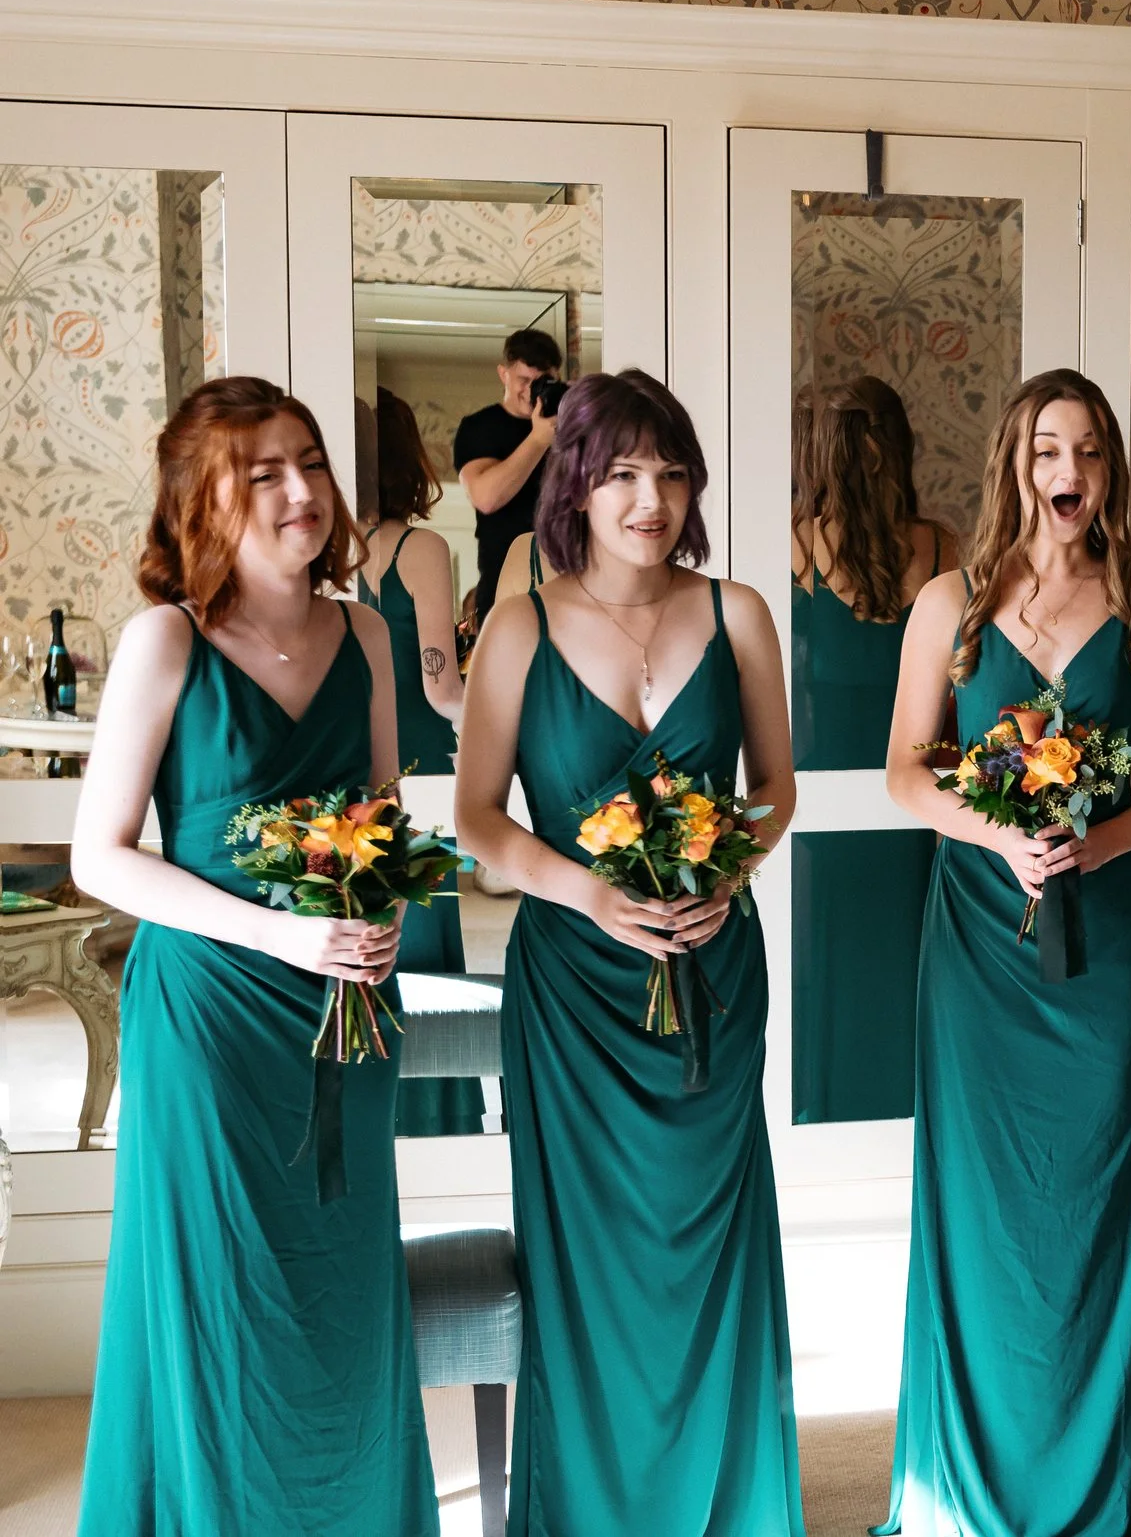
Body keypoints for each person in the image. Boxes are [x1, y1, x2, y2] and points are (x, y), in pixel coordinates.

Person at [71, 377, 435, 1535]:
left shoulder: (369, 632)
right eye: (263, 471)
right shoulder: (164, 639)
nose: (300, 491)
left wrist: (376, 919)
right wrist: (280, 930)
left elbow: (381, 818)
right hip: (212, 1025)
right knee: (221, 1306)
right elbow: (102, 857)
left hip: (342, 1020)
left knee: (340, 1294)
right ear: (203, 499)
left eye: (312, 464)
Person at [455, 370, 805, 1535]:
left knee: (705, 1247)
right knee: (589, 1268)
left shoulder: (738, 611)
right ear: (577, 486)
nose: (649, 499)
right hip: (574, 996)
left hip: (711, 972)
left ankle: (728, 1503)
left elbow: (774, 791)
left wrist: (723, 873)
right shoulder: (520, 623)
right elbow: (480, 817)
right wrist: (591, 895)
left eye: (669, 473)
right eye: (620, 475)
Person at [878, 368, 1131, 1537]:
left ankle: (1105, 1485)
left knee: (1097, 1194)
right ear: (1014, 465)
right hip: (978, 943)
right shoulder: (948, 602)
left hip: (1107, 940)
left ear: (1112, 471)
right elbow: (906, 773)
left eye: (1089, 455)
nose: (1067, 476)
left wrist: (1094, 843)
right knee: (983, 1202)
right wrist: (1008, 838)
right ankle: (971, 1490)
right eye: (1046, 453)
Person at [791, 376, 957, 1123]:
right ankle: (897, 1124)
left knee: (843, 972)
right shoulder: (938, 545)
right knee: (895, 970)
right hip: (889, 802)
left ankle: (835, 1124)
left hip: (847, 802)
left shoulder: (793, 547)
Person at [358, 387, 480, 1136]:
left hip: (355, 771)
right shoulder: (420, 549)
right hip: (420, 772)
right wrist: (504, 721)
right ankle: (437, 1122)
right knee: (427, 955)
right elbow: (441, 688)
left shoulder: (323, 550)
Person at [454, 325, 563, 629]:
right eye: (523, 380)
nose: (530, 391)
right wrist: (539, 439)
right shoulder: (480, 427)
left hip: (565, 576)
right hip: (502, 579)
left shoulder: (569, 427)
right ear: (503, 374)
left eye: (541, 382)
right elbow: (486, 498)